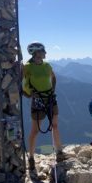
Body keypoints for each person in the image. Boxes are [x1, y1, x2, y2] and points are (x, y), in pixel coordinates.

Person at [22, 42, 64, 171]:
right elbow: (23, 84)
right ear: (36, 52)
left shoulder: (47, 65)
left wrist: (52, 90)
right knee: (35, 131)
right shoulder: (27, 67)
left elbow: (53, 77)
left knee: (55, 125)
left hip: (50, 98)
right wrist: (30, 95)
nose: (45, 53)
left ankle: (59, 153)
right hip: (39, 100)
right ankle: (31, 157)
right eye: (43, 51)